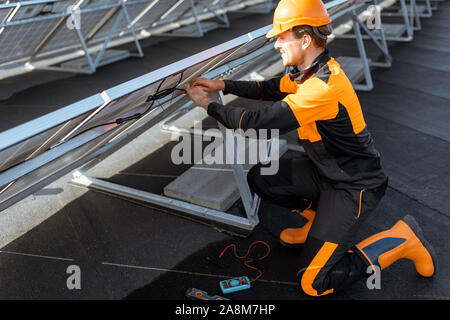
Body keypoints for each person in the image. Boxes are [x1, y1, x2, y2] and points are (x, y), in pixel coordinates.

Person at [183, 0, 437, 297]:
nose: (276, 44)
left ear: (304, 39)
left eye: (281, 37)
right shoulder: (308, 73)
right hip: (325, 173)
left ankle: (402, 239)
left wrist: (207, 104)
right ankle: (318, 225)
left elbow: (254, 123)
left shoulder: (322, 88)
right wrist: (222, 85)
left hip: (354, 187)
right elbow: (269, 89)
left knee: (314, 284)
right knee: (261, 178)